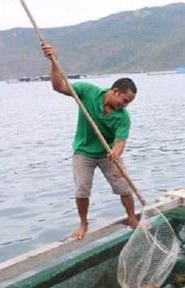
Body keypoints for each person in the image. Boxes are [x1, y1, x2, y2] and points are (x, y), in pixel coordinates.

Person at [41, 43, 139, 240]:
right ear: (115, 91)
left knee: (123, 185)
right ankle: (84, 223)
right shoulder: (88, 92)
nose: (125, 105)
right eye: (125, 100)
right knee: (82, 188)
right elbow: (58, 86)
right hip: (83, 152)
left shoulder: (123, 117)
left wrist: (116, 153)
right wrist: (54, 61)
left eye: (129, 103)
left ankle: (131, 217)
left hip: (107, 155)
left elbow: (120, 141)